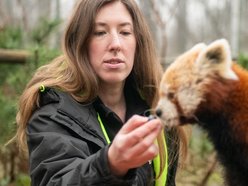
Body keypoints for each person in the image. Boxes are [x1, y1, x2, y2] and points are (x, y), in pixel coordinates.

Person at [15, 0, 188, 185]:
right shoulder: (53, 114)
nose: (115, 44)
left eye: (125, 32)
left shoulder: (156, 110)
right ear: (79, 42)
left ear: (138, 42)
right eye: (100, 32)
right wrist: (110, 165)